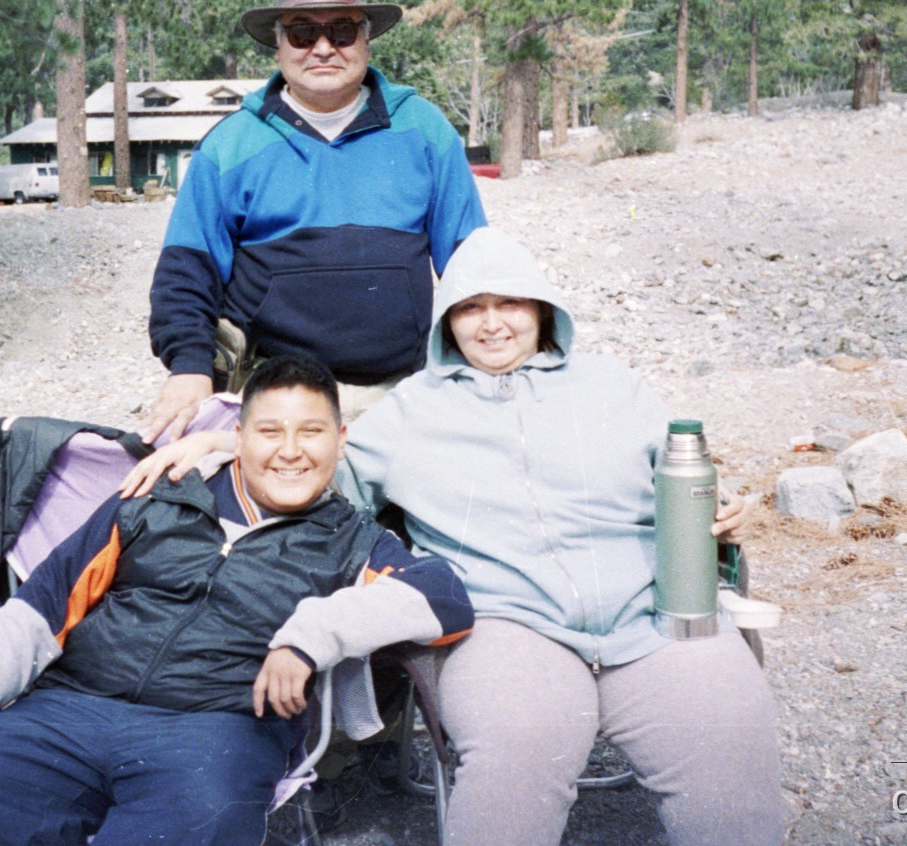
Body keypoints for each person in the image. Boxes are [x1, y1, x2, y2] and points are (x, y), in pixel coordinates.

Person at [125, 228, 785, 845]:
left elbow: (679, 472)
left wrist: (718, 506)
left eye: (511, 304)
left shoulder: (616, 386)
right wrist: (229, 439)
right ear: (447, 320)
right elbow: (317, 464)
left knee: (729, 737)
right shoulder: (411, 409)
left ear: (544, 309)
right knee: (516, 753)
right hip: (504, 624)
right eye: (472, 308)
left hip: (654, 609)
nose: (492, 322)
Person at [0, 355, 474, 846]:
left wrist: (310, 635)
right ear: (238, 438)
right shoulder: (151, 500)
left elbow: (444, 597)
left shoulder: (354, 541)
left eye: (311, 432)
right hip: (69, 709)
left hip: (217, 731)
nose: (290, 451)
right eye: (270, 432)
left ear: (340, 442)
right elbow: (40, 610)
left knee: (194, 828)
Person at [143, 0, 486, 441]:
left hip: (401, 392)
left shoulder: (426, 131)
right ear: (278, 46)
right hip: (268, 395)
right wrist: (189, 370)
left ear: (366, 40)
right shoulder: (229, 145)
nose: (323, 48)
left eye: (342, 31)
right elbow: (185, 273)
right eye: (303, 33)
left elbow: (471, 265)